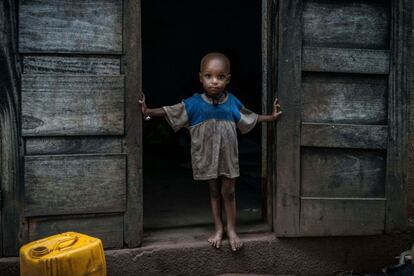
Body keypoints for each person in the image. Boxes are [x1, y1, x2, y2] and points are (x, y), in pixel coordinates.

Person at [139, 52, 282, 251]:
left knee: (229, 192)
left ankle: (232, 229)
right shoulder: (194, 103)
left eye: (220, 77)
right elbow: (171, 110)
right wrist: (148, 112)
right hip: (207, 156)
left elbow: (251, 118)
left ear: (228, 79)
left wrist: (271, 118)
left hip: (228, 157)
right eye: (209, 76)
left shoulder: (232, 102)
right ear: (201, 78)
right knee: (214, 192)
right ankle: (218, 228)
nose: (214, 82)